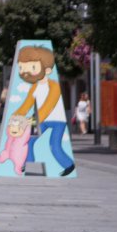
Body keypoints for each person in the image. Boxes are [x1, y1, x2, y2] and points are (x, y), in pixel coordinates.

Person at [11, 46, 76, 176]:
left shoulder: (54, 86)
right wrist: (15, 116)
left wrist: (33, 119)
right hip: (41, 119)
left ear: (47, 70)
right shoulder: (34, 87)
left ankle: (68, 165)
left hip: (57, 119)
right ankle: (29, 164)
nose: (27, 72)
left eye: (32, 67)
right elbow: (26, 104)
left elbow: (49, 105)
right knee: (29, 140)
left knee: (54, 145)